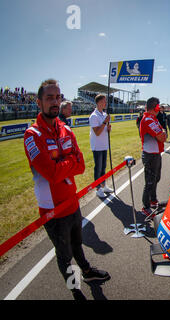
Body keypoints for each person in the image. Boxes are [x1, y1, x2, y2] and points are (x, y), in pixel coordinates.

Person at [23, 79, 110, 301]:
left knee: (77, 243)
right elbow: (50, 173)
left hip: (72, 201)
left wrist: (63, 163)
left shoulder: (65, 129)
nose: (55, 101)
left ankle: (88, 273)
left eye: (57, 97)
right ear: (39, 102)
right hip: (52, 209)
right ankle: (75, 290)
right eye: (49, 97)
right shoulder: (32, 135)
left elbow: (81, 165)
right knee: (64, 255)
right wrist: (67, 161)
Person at [140, 97, 167, 217]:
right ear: (155, 107)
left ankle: (153, 200)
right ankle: (145, 206)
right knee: (150, 182)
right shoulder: (148, 119)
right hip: (150, 155)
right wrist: (163, 133)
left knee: (156, 178)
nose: (159, 108)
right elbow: (162, 136)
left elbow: (163, 133)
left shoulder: (153, 119)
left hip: (156, 154)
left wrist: (163, 133)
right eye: (158, 106)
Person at [89, 94, 113, 198]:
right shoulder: (94, 116)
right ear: (98, 102)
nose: (105, 103)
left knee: (103, 167)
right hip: (97, 146)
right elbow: (97, 132)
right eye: (104, 101)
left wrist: (108, 129)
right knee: (98, 168)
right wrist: (104, 122)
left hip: (104, 145)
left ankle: (103, 186)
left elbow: (104, 130)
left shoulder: (104, 114)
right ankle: (98, 189)